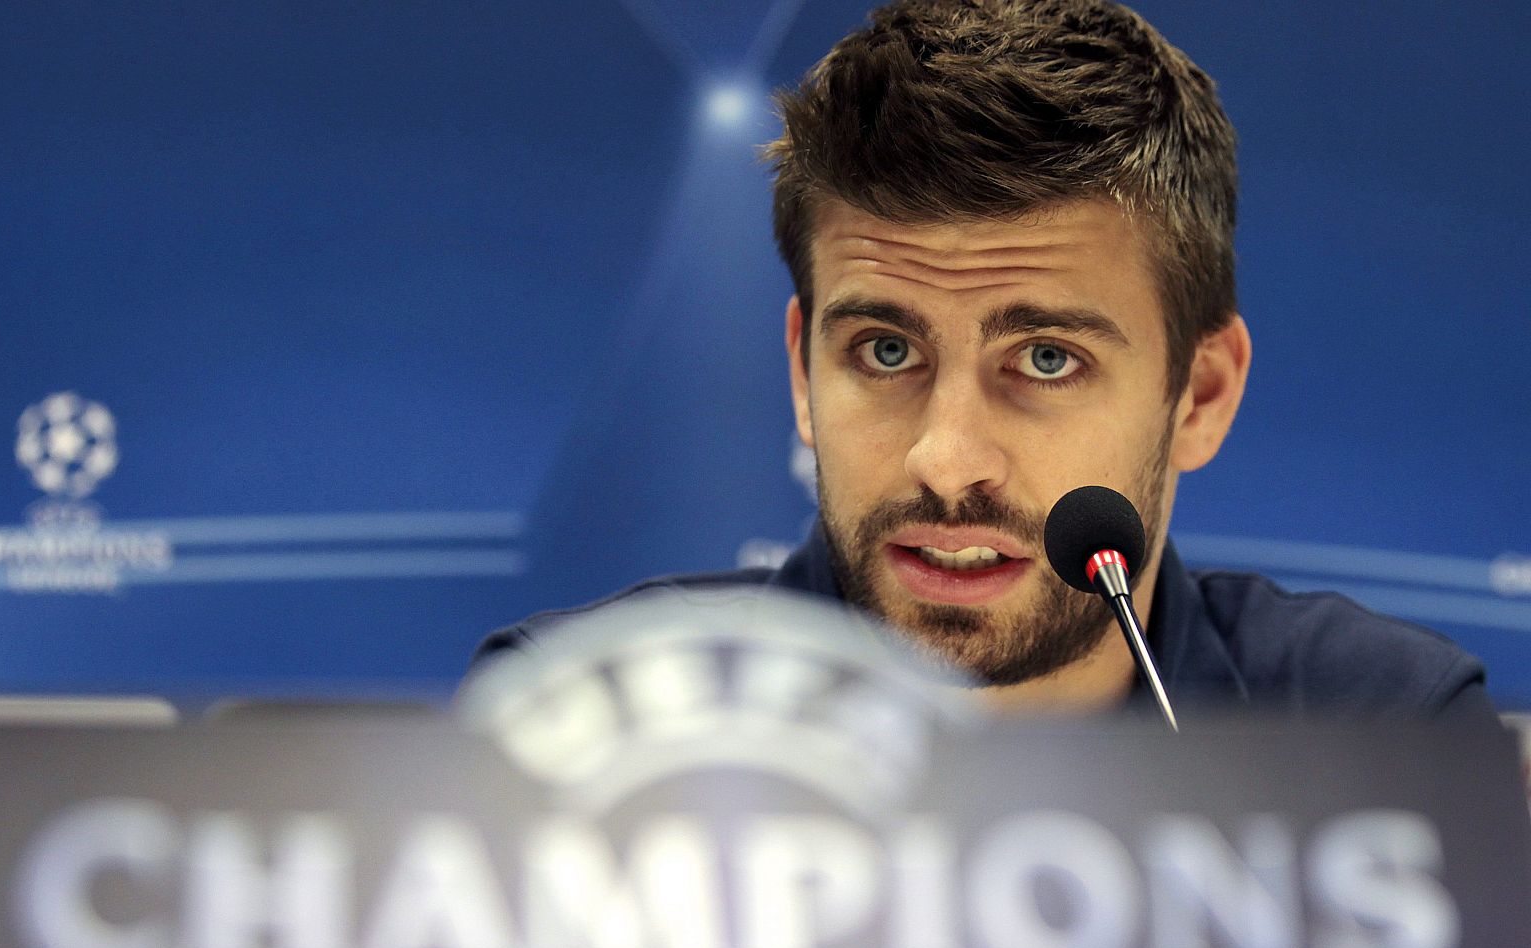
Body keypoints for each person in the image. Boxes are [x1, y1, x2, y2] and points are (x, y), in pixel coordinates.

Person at [472, 0, 1492, 722]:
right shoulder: (585, 725)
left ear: (1201, 394)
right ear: (801, 377)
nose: (947, 459)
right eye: (884, 349)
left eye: (1044, 358)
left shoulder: (1377, 732)